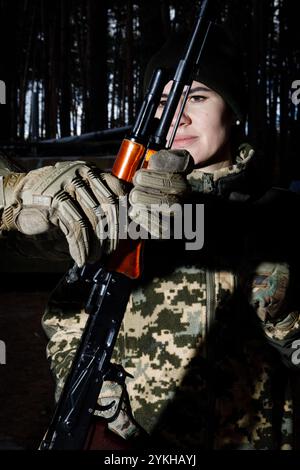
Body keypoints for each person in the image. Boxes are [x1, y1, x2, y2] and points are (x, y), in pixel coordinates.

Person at [42, 24, 300, 449]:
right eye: (164, 101)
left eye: (197, 96)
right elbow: (67, 316)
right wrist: (88, 383)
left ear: (232, 109)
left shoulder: (281, 216)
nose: (177, 114)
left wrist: (286, 315)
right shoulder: (121, 210)